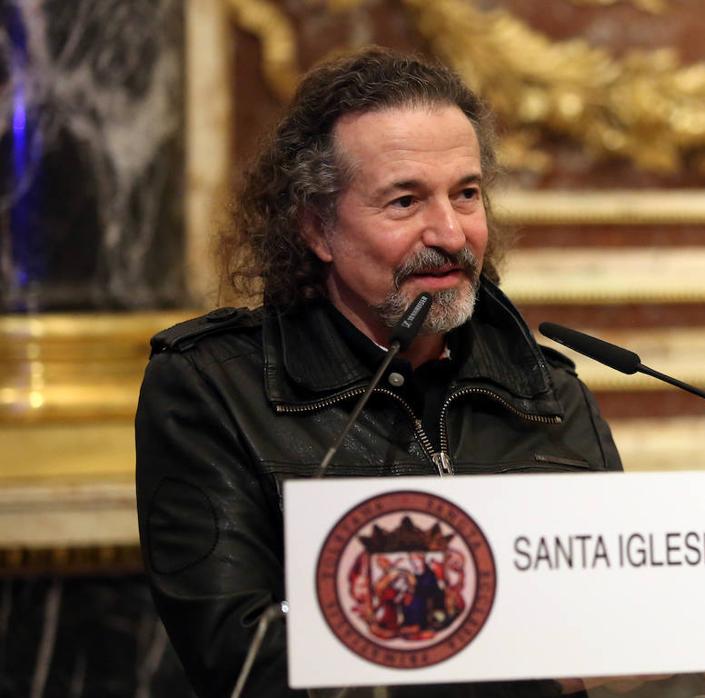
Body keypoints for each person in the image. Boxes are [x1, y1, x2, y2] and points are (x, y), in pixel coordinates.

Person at [135, 48, 627, 697]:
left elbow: (626, 624)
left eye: (467, 194)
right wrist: (532, 676)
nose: (450, 232)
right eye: (404, 201)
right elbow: (245, 661)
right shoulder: (213, 388)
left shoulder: (548, 392)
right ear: (316, 228)